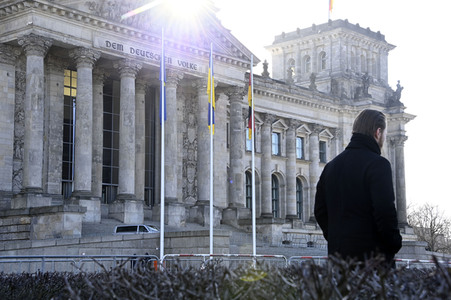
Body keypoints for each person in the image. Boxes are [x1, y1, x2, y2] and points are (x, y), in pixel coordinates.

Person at [314, 109, 402, 266]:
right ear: (378, 132)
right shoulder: (378, 164)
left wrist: (336, 238)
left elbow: (320, 211)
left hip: (338, 258)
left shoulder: (331, 167)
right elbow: (385, 210)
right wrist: (393, 244)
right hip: (373, 260)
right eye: (385, 134)